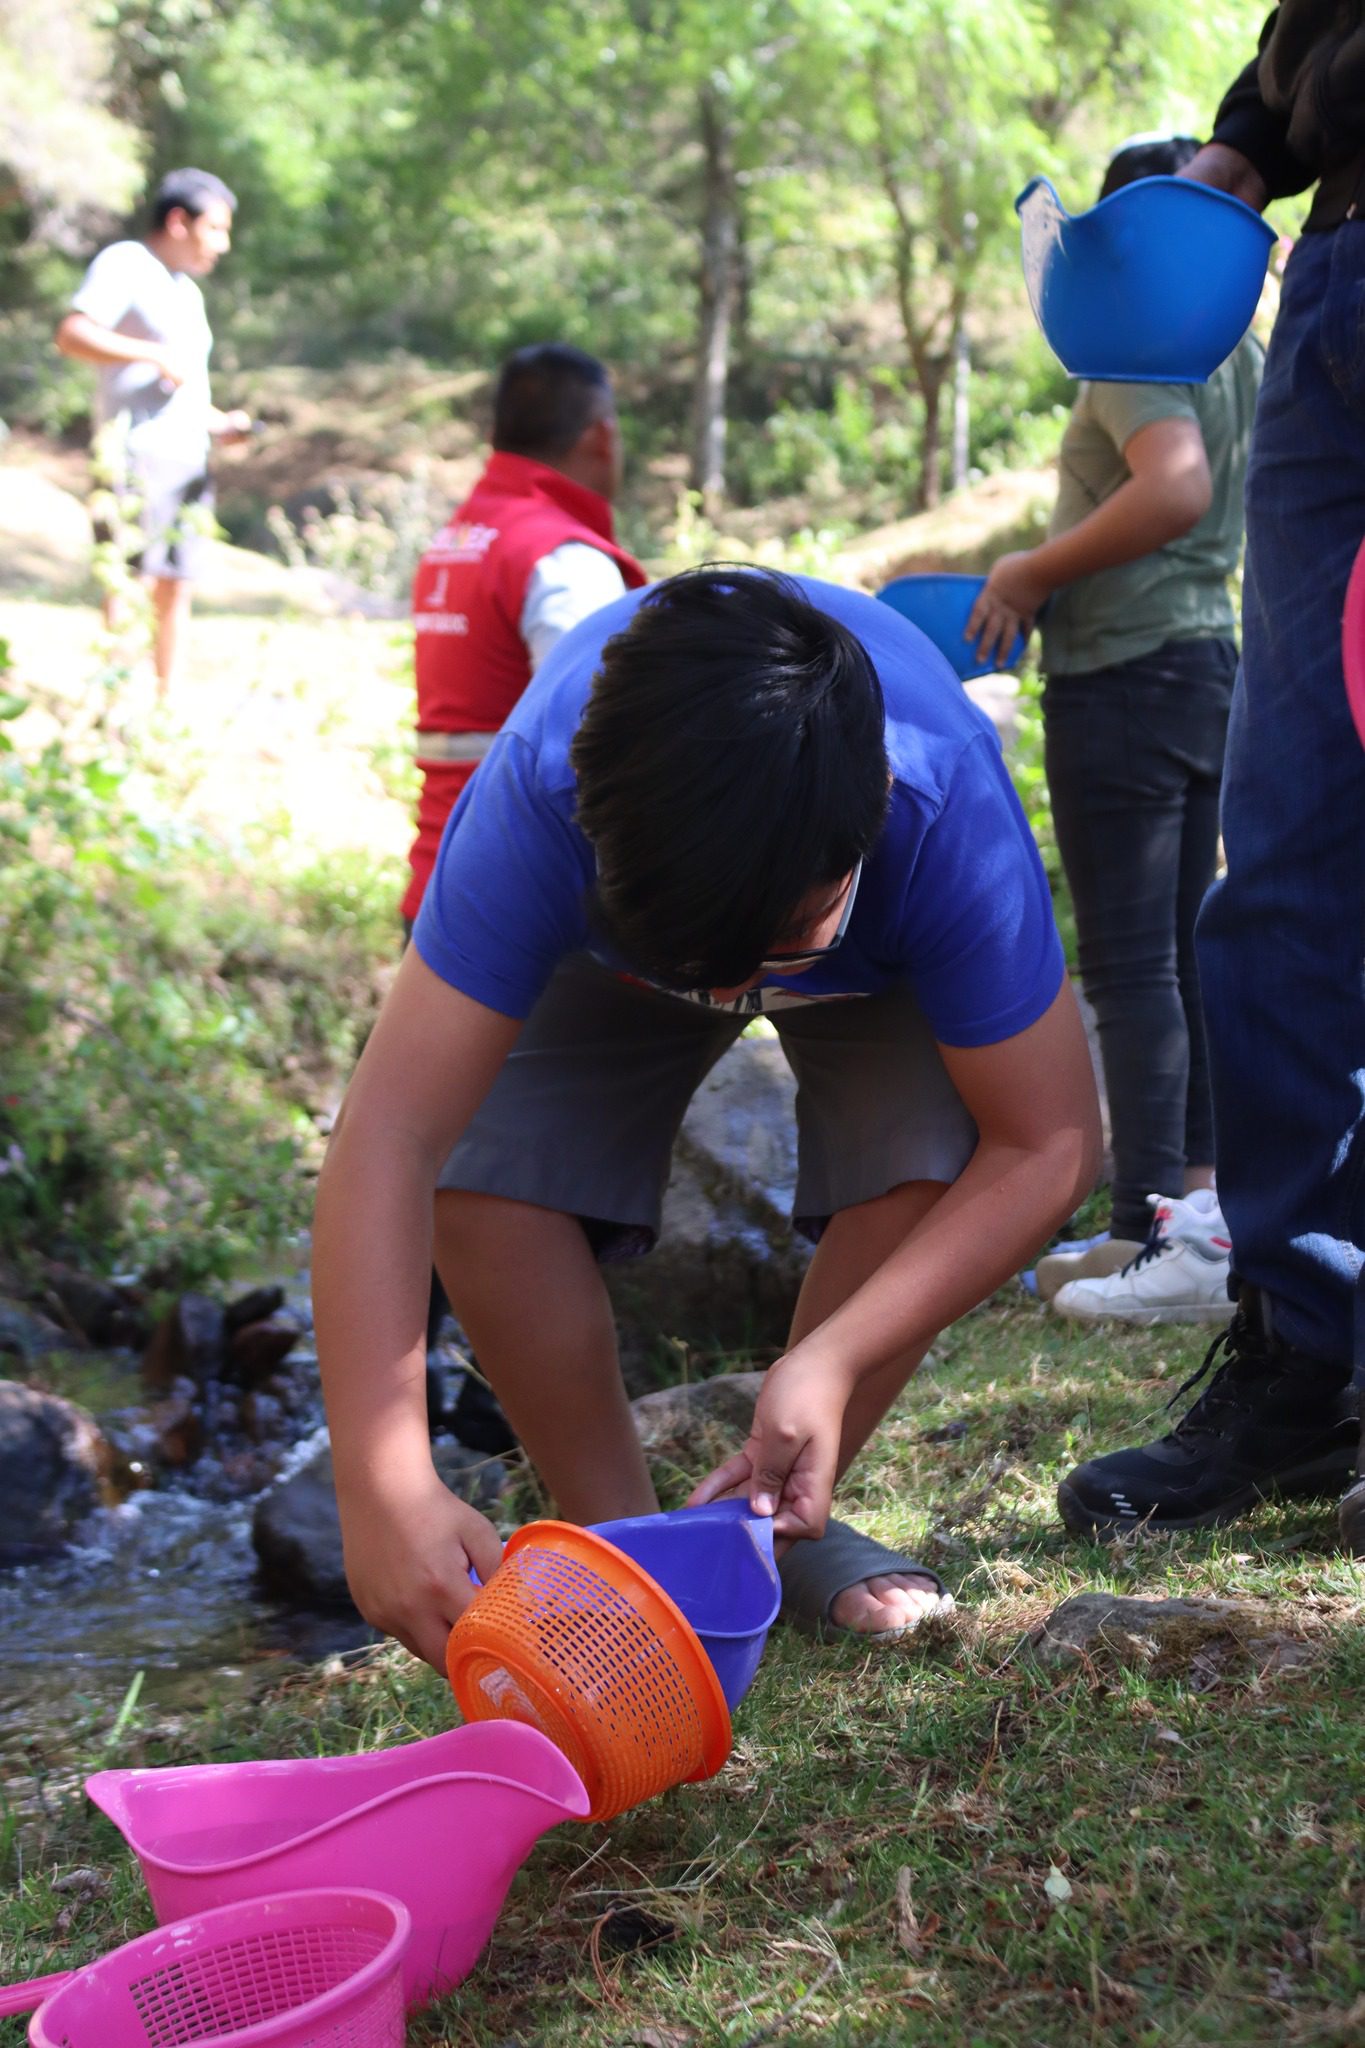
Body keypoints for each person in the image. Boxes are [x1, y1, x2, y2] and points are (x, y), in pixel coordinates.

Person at [313, 567, 1102, 1672]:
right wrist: (380, 1473)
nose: (742, 990)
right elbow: (392, 1132)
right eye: (711, 969)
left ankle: (762, 1531)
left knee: (925, 1164)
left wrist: (834, 1354)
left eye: (782, 942)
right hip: (633, 928)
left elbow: (1051, 1140)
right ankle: (631, 1554)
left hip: (868, 955)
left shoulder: (935, 806)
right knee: (482, 1180)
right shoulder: (548, 793)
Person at [1052, 3, 1365, 1541]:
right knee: (1284, 873)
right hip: (1338, 270)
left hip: (1132, 662)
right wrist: (1243, 145)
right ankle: (1306, 1359)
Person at [970, 134, 1262, 1327]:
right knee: (1193, 950)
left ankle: (1146, 1220)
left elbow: (1175, 483)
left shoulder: (1138, 332)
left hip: (1127, 674)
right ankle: (1197, 1209)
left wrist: (1029, 570)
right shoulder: (1240, 333)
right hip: (1210, 666)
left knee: (1134, 962)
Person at [403, 343, 647, 926]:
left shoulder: (457, 540)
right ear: (601, 437)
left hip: (440, 884)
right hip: (526, 914)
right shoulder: (562, 559)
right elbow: (600, 739)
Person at [55, 167, 250, 698]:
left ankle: (165, 706)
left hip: (187, 458)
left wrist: (217, 423)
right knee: (130, 583)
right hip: (134, 453)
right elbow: (72, 333)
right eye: (217, 228)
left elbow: (183, 384)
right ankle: (116, 709)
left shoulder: (187, 292)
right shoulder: (126, 264)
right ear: (178, 221)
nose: (223, 244)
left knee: (175, 586)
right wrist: (152, 352)